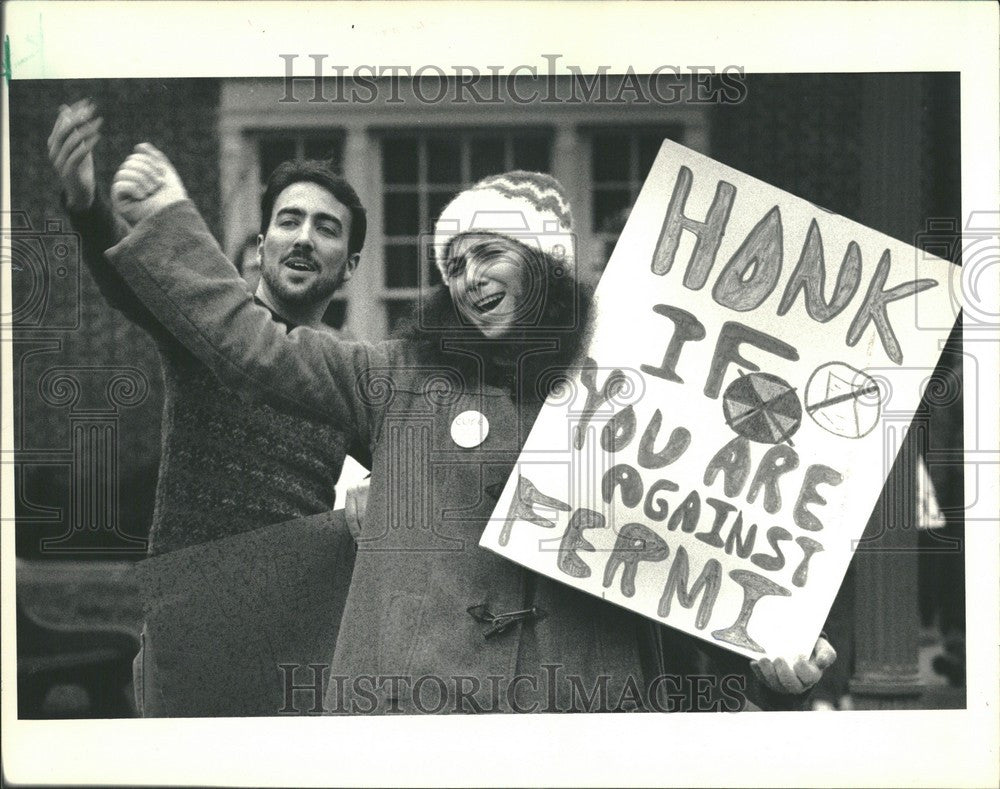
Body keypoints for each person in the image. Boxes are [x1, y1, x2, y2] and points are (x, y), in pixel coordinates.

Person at [105, 144, 836, 713]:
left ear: (545, 265)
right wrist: (173, 220)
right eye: (453, 264)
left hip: (585, 718)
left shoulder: (632, 398)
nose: (467, 278)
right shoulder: (395, 377)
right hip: (418, 722)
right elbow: (251, 346)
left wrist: (769, 656)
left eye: (489, 253)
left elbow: (703, 551)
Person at [47, 102, 370, 716]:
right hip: (189, 624)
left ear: (351, 266)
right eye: (289, 220)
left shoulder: (352, 366)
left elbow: (423, 455)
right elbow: (132, 281)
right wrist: (88, 205)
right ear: (263, 243)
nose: (304, 236)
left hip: (296, 630)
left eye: (327, 229)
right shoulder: (206, 327)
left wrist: (387, 486)